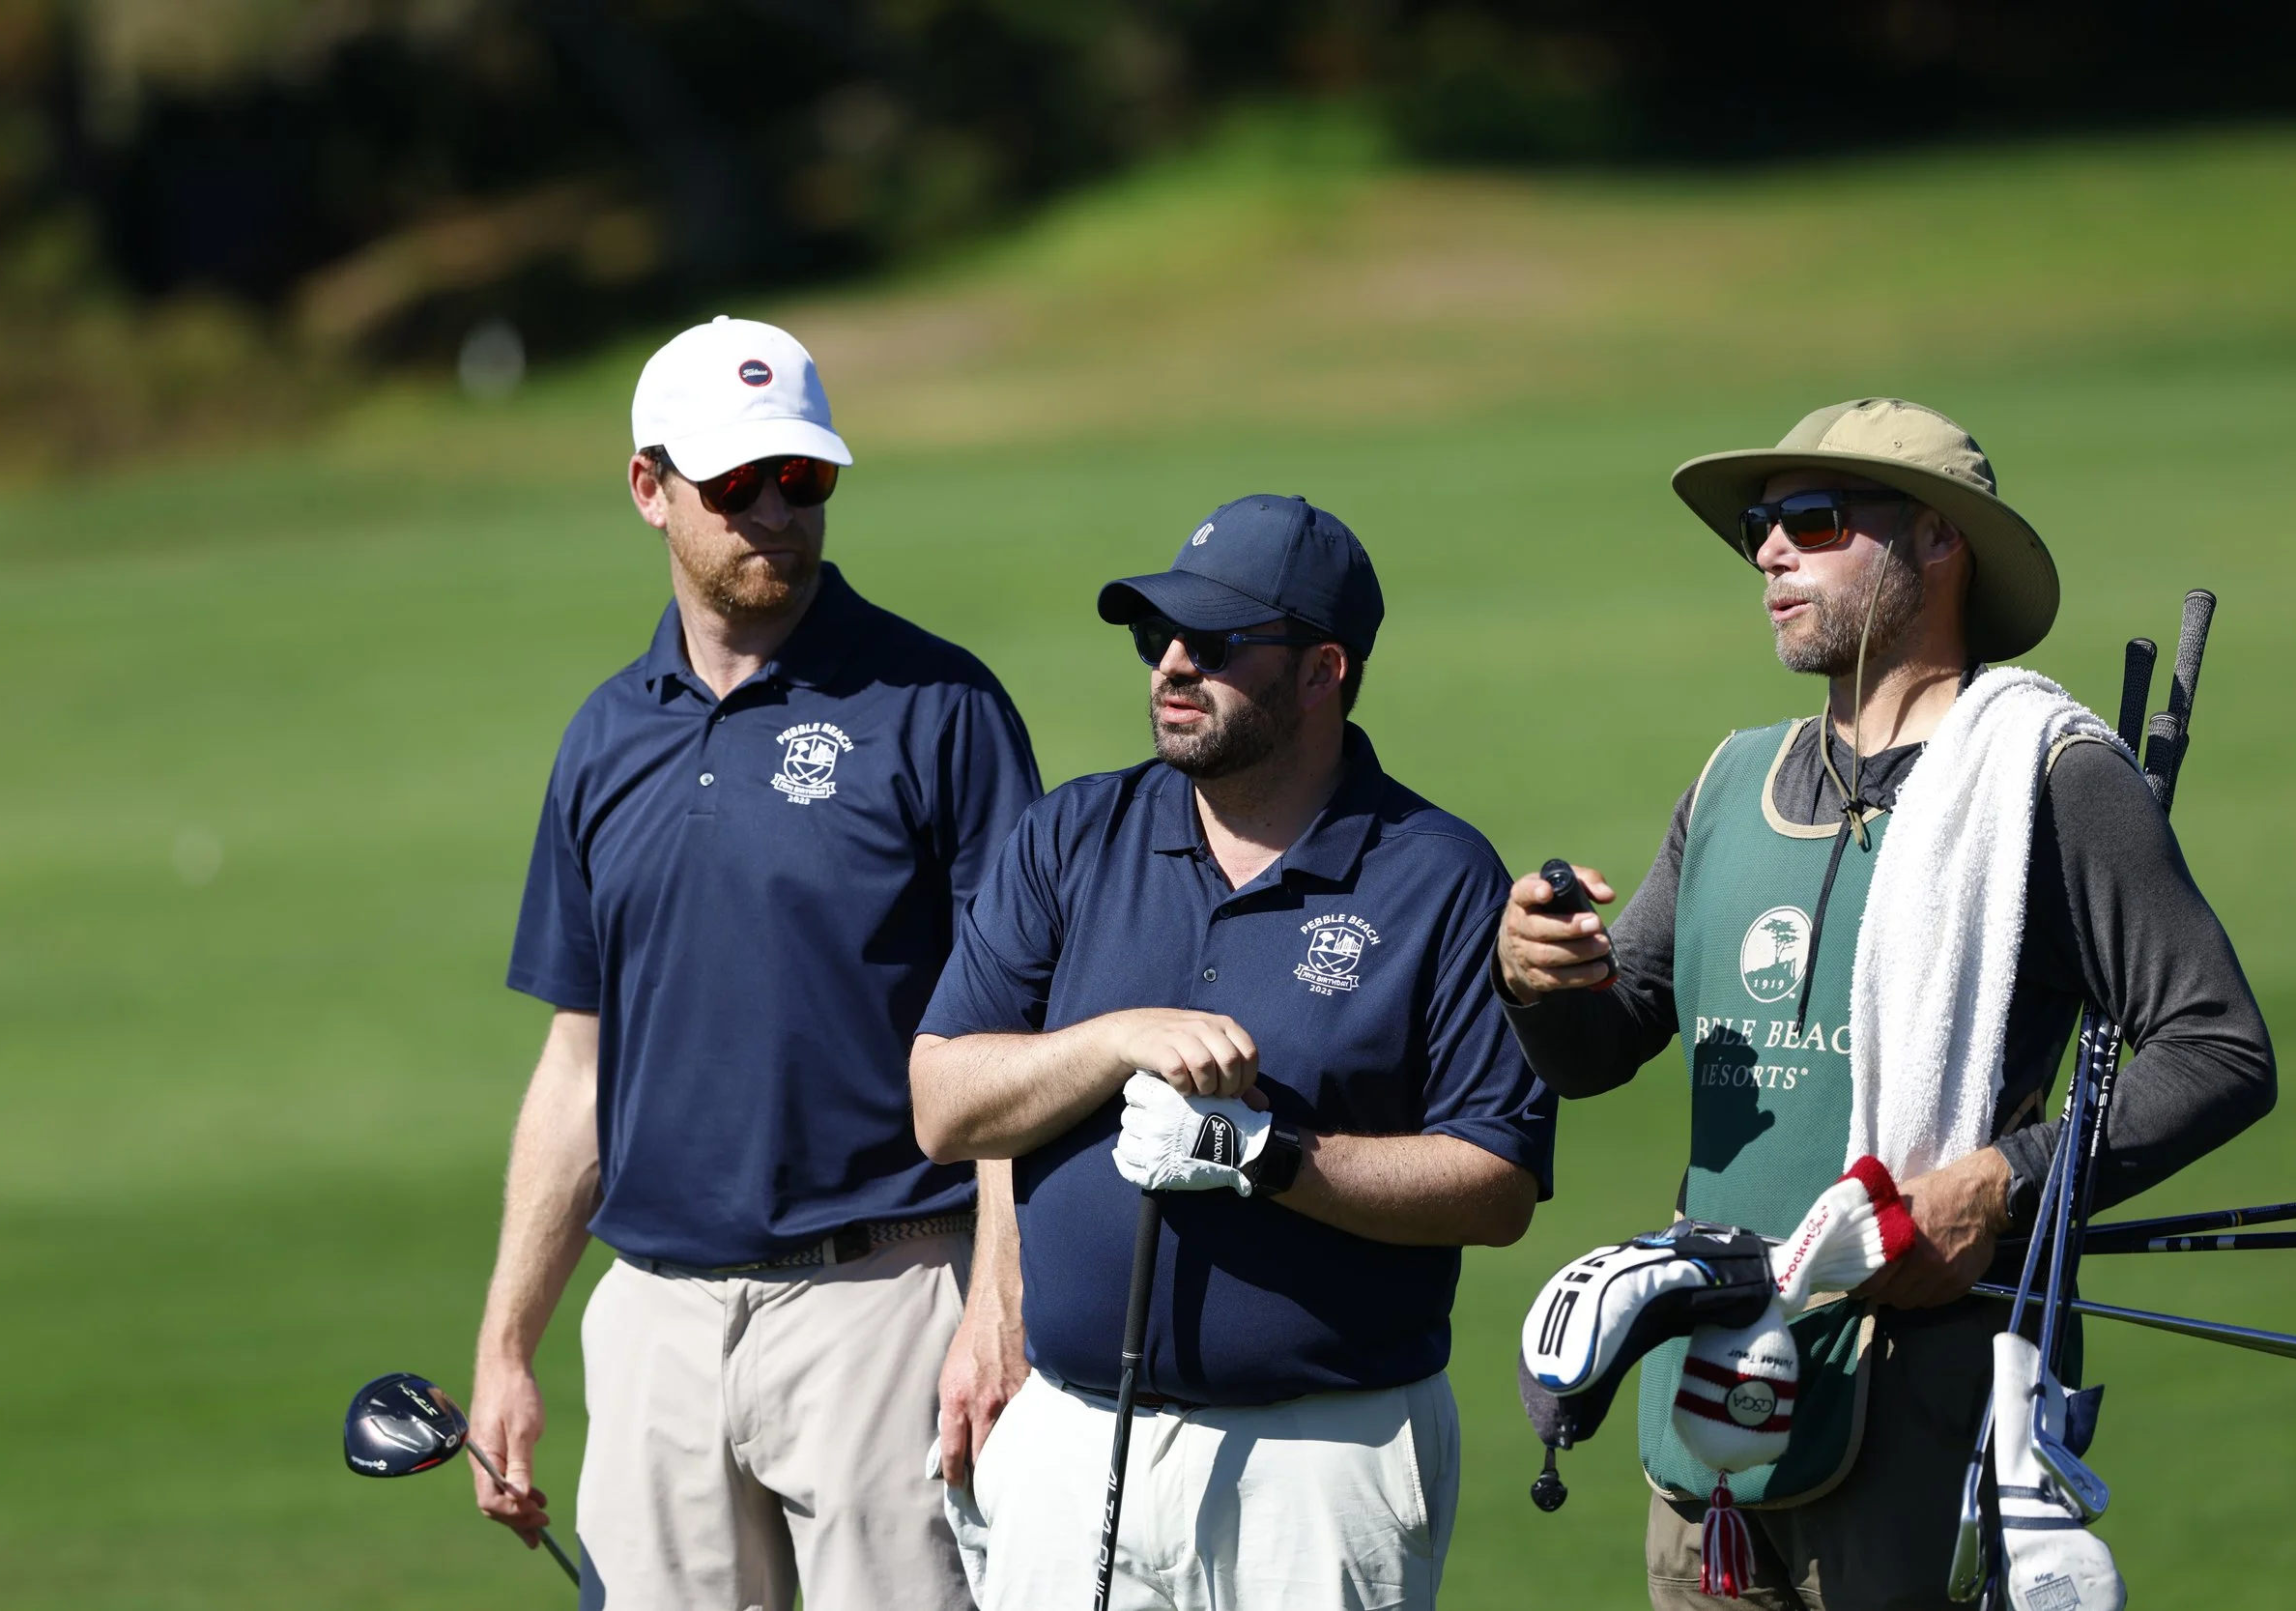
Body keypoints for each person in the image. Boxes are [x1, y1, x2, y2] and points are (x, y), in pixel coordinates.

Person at [1495, 398, 2276, 1609]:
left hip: (1927, 1421)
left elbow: (2217, 1046)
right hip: (1710, 1421)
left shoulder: (2051, 775)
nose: (1768, 551)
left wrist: (1998, 1179)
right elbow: (1603, 1043)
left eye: (1811, 520)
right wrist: (1536, 974)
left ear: (1936, 541)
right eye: (1761, 524)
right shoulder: (1731, 776)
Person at [471, 315, 1041, 1610]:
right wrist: (509, 1341)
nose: (776, 511)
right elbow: (579, 1069)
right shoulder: (604, 738)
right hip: (656, 1320)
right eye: (737, 485)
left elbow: (1019, 1042)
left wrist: (996, 1301)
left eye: (806, 478)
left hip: (886, 1303)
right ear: (648, 489)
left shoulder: (941, 709)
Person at [909, 493, 1555, 1610]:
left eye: (1212, 645)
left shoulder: (1440, 876)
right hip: (1072, 1438)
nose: (1170, 664)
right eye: (1155, 636)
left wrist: (1266, 1156)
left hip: (1322, 1459)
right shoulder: (1071, 835)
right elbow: (943, 1101)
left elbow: (1494, 1184)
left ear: (1323, 670)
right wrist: (1113, 1042)